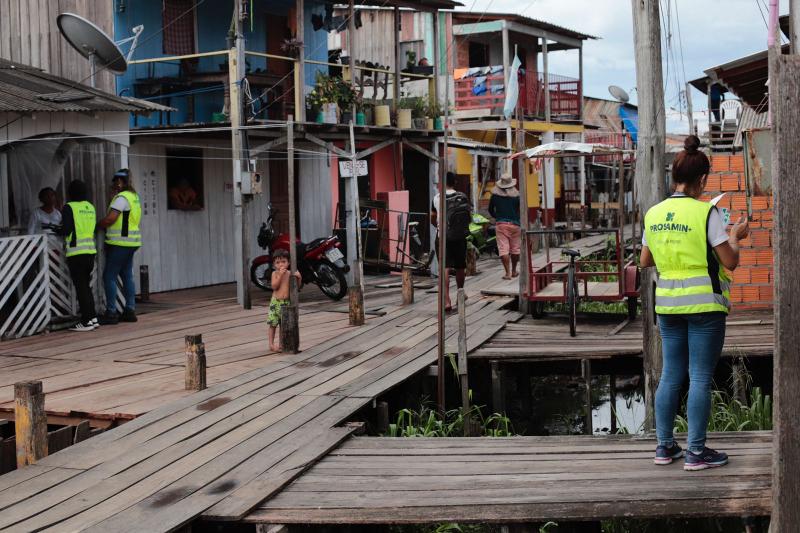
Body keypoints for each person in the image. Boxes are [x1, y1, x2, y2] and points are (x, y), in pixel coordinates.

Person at [640, 135, 749, 471]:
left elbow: (645, 260)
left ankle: (664, 447)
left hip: (668, 306)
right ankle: (696, 452)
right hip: (705, 307)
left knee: (670, 374)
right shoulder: (707, 213)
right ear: (703, 179)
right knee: (700, 377)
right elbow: (729, 262)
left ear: (675, 176)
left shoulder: (654, 213)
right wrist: (735, 236)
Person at [98, 169, 142, 325]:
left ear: (120, 181)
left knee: (109, 276)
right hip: (132, 242)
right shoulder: (134, 197)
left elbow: (111, 219)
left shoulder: (121, 198)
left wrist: (97, 225)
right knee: (126, 275)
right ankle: (130, 310)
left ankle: (111, 312)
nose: (115, 183)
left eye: (116, 180)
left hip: (119, 242)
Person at [57, 180, 98, 332]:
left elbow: (66, 229)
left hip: (76, 252)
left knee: (81, 287)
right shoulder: (90, 207)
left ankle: (86, 321)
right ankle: (93, 318)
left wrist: (58, 230)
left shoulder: (70, 207)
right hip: (90, 251)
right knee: (87, 286)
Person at [432, 171, 471, 312]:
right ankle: (460, 293)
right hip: (460, 236)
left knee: (445, 267)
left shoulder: (437, 198)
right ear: (454, 182)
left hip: (443, 236)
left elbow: (433, 217)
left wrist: (437, 225)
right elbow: (469, 216)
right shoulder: (463, 197)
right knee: (460, 266)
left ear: (442, 182)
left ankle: (446, 299)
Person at [267, 249, 302, 352]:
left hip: (286, 303)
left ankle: (281, 343)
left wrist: (299, 278)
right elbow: (274, 286)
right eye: (277, 262)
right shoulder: (275, 274)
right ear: (274, 264)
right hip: (275, 302)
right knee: (273, 324)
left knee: (283, 324)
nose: (281, 264)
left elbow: (297, 288)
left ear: (288, 263)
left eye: (283, 262)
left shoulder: (290, 273)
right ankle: (271, 344)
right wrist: (280, 275)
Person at [488, 173, 521, 280]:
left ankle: (507, 273)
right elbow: (521, 210)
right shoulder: (516, 196)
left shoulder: (495, 196)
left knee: (503, 249)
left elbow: (490, 210)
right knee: (515, 249)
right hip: (515, 224)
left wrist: (497, 216)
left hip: (501, 224)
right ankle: (514, 270)